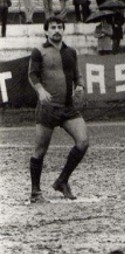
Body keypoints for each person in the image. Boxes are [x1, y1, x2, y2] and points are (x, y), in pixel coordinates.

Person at [28, 16, 89, 203]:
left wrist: (80, 86)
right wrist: (40, 91)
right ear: (46, 31)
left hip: (68, 108)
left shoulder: (71, 52)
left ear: (64, 30)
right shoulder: (39, 51)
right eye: (53, 27)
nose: (56, 30)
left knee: (83, 142)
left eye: (60, 27)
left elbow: (77, 75)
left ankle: (62, 181)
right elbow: (32, 75)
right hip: (47, 109)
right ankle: (35, 192)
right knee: (40, 150)